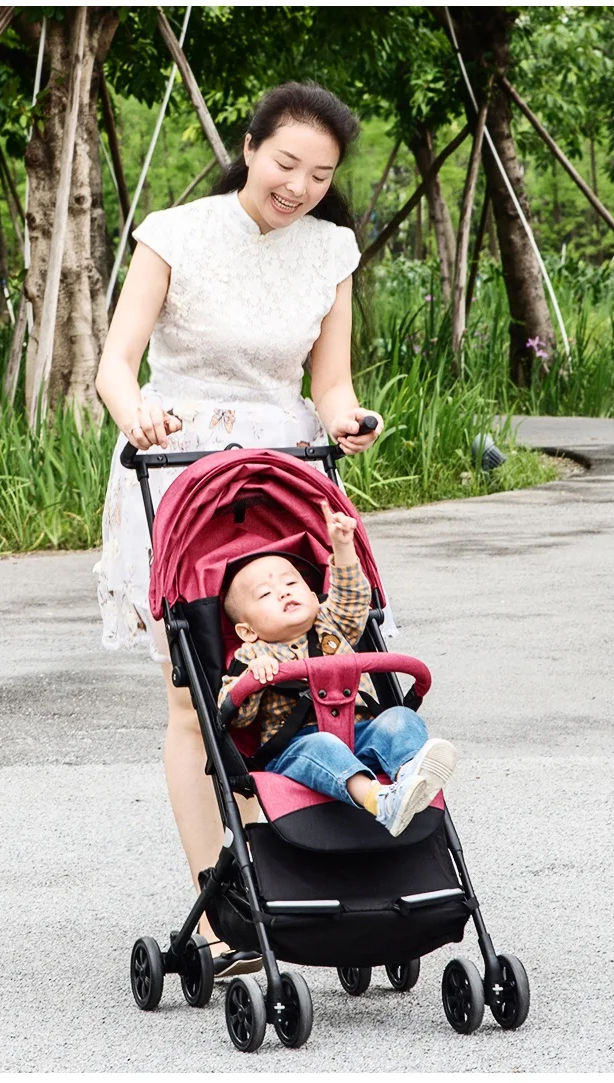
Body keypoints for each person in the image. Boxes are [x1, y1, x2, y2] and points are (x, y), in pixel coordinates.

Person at [94, 82, 387, 971]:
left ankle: (297, 883)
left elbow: (328, 384)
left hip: (283, 475)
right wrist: (134, 414)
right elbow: (116, 362)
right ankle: (219, 914)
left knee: (308, 677)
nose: (298, 184)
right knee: (198, 696)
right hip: (179, 469)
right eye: (285, 162)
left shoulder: (331, 250)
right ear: (252, 147)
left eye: (320, 173)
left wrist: (346, 419)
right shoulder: (174, 232)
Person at [219, 501, 457, 837]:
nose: (283, 592)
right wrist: (253, 679)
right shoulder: (254, 652)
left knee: (401, 718)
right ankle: (381, 801)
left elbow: (353, 599)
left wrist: (343, 546)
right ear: (247, 630)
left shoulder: (332, 623)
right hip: (299, 746)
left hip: (362, 731)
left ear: (315, 595)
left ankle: (409, 778)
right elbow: (233, 714)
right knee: (324, 746)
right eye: (266, 594)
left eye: (291, 583)